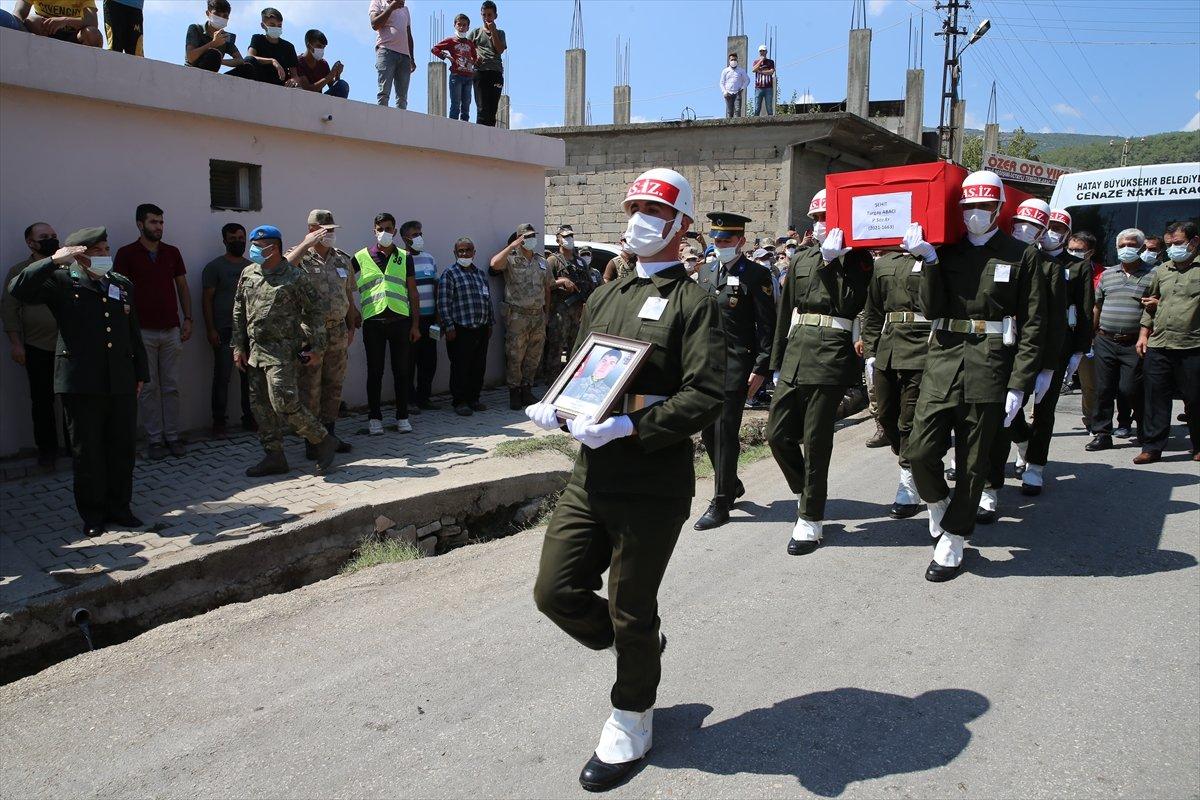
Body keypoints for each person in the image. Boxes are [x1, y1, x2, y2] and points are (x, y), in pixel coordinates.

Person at [525, 168, 724, 792]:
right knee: (554, 590)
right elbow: (585, 372)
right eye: (634, 207)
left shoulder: (697, 304)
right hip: (593, 471)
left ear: (681, 225)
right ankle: (640, 651)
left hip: (651, 478)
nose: (639, 219)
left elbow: (709, 392)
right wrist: (559, 404)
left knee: (632, 606)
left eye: (654, 211)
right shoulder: (605, 296)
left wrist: (635, 428)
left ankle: (632, 715)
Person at [901, 170, 1044, 582]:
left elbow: (1033, 322)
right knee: (922, 450)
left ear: (999, 209)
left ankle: (955, 539)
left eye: (983, 207)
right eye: (968, 207)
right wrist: (927, 261)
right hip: (944, 357)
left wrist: (1021, 381)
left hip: (991, 361)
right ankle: (939, 504)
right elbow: (931, 308)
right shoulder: (947, 250)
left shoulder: (1022, 254)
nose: (974, 215)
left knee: (974, 457)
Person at [9, 227, 148, 538]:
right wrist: (53, 261)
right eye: (97, 250)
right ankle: (93, 513)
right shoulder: (61, 281)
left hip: (121, 380)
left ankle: (120, 507)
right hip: (81, 381)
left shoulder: (120, 284)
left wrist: (141, 373)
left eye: (105, 249)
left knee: (122, 448)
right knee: (88, 451)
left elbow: (132, 332)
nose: (104, 255)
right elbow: (18, 288)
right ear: (79, 253)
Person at [768, 190, 872, 555]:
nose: (820, 223)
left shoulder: (857, 259)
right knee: (776, 434)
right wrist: (777, 364)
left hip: (829, 355)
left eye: (827, 215)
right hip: (796, 351)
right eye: (816, 218)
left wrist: (836, 262)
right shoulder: (802, 257)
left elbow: (850, 303)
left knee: (815, 442)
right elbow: (785, 313)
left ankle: (811, 518)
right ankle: (807, 491)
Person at [985, 207, 1091, 511]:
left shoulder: (1060, 266)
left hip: (1052, 348)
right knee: (1009, 409)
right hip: (1011, 345)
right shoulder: (1014, 256)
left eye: (1056, 227)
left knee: (1044, 410)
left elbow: (1071, 313)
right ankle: (1021, 440)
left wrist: (1076, 351)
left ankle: (1035, 465)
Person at [234, 225, 337, 476]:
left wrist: (317, 348)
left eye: (261, 245)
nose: (255, 249)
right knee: (259, 405)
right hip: (255, 350)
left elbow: (315, 312)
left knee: (284, 402)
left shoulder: (294, 277)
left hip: (282, 351)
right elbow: (239, 309)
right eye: (254, 244)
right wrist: (237, 346)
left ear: (275, 247)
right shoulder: (249, 273)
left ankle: (323, 439)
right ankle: (274, 456)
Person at [693, 212, 775, 530]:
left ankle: (722, 500)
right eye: (716, 239)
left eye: (726, 240)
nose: (719, 244)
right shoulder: (706, 272)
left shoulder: (756, 275)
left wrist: (761, 368)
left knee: (726, 431)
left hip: (738, 364)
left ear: (740, 241)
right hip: (707, 363)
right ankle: (733, 483)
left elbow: (767, 326)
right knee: (708, 432)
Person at [114, 203, 191, 460]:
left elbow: (182, 286)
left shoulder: (171, 252)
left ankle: (172, 436)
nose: (158, 227)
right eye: (153, 222)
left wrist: (187, 317)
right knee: (148, 387)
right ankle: (154, 439)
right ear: (140, 224)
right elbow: (119, 293)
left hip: (170, 329)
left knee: (171, 386)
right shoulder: (127, 254)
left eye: (161, 222)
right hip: (141, 332)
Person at [861, 244, 931, 519]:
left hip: (922, 346)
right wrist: (870, 351)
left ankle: (908, 483)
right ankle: (911, 460)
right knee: (887, 415)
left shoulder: (931, 257)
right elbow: (873, 311)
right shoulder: (883, 263)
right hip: (889, 347)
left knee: (909, 419)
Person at [288, 210, 360, 455]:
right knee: (310, 388)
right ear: (312, 230)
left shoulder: (342, 259)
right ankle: (313, 442)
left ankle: (330, 436)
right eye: (325, 230)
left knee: (333, 386)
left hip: (338, 332)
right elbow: (280, 273)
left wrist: (351, 327)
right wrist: (305, 245)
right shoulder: (299, 257)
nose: (330, 234)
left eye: (332, 230)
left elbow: (348, 295)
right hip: (310, 333)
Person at [1134, 220, 1200, 463]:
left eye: (1179, 243)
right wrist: (1143, 335)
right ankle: (1152, 447)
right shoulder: (1162, 270)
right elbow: (1149, 305)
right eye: (1170, 244)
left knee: (1195, 398)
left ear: (1194, 242)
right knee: (1155, 397)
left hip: (1192, 345)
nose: (1173, 248)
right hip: (1159, 344)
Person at [2, 222, 65, 470]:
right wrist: (16, 344)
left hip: (69, 346)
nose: (50, 239)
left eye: (53, 236)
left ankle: (76, 448)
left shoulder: (67, 266)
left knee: (74, 399)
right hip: (36, 347)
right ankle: (47, 452)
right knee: (42, 402)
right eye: (44, 237)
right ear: (30, 243)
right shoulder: (20, 272)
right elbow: (9, 310)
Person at [1086, 228, 1154, 452]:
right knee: (1103, 389)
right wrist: (1091, 334)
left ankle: (1145, 429)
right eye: (1122, 245)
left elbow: (1154, 308)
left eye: (1132, 245)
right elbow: (1097, 305)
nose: (1127, 249)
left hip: (1133, 342)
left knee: (1130, 388)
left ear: (1142, 248)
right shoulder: (1107, 274)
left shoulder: (1153, 275)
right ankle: (1102, 433)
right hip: (1105, 339)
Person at [354, 213, 420, 435]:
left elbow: (413, 292)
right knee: (375, 371)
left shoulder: (404, 256)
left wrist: (415, 325)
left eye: (388, 228)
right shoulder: (360, 257)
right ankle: (375, 418)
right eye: (380, 228)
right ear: (374, 230)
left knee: (402, 371)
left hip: (400, 321)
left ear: (394, 230)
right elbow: (343, 284)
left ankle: (402, 417)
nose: (384, 232)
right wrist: (350, 309)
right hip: (374, 322)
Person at [488, 223, 551, 410]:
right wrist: (511, 246)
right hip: (517, 316)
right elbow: (494, 264)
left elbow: (548, 288)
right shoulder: (511, 259)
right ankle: (514, 392)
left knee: (534, 356)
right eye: (527, 237)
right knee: (515, 356)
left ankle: (527, 389)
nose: (531, 240)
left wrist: (546, 313)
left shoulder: (542, 261)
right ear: (519, 239)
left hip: (537, 316)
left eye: (533, 236)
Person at [201, 223, 254, 438]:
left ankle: (249, 418)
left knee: (249, 378)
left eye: (241, 237)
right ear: (224, 241)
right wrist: (210, 329)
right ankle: (219, 422)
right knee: (222, 377)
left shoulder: (252, 267)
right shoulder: (214, 267)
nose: (238, 242)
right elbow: (206, 300)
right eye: (233, 238)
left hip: (249, 331)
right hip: (224, 331)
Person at [437, 237, 492, 416]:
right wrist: (449, 326)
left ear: (474, 253)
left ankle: (474, 399)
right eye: (460, 251)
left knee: (478, 366)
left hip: (481, 328)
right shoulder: (450, 274)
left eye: (468, 250)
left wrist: (490, 322)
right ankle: (460, 401)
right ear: (455, 254)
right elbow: (443, 302)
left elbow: (487, 299)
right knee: (460, 367)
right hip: (460, 329)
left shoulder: (480, 274)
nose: (464, 254)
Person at [542, 224, 595, 382]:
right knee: (556, 348)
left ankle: (572, 381)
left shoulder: (580, 262)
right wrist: (562, 281)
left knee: (576, 347)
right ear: (558, 240)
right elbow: (546, 285)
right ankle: (552, 381)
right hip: (559, 311)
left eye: (571, 236)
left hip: (577, 312)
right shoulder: (553, 261)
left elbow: (589, 284)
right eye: (565, 237)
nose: (569, 240)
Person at [400, 220, 439, 411]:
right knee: (409, 361)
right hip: (409, 320)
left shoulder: (429, 258)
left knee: (429, 361)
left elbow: (435, 287)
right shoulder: (399, 259)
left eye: (420, 234)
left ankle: (425, 398)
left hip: (430, 319)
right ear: (405, 238)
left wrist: (438, 317)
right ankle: (409, 400)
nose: (419, 238)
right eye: (415, 235)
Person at [185, 0, 262, 78]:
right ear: (208, 14)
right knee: (214, 54)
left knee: (247, 68)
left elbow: (240, 60)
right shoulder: (196, 29)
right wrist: (213, 43)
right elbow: (191, 58)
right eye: (217, 14)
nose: (221, 18)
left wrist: (220, 61)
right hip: (193, 74)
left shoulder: (225, 36)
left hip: (213, 76)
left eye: (225, 16)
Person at [432, 13, 477, 121]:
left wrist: (472, 62)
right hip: (456, 76)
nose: (461, 27)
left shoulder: (470, 43)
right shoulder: (451, 40)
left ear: (468, 27)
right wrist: (446, 56)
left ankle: (465, 126)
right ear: (455, 25)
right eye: (459, 24)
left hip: (468, 76)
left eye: (464, 25)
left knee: (466, 104)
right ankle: (453, 126)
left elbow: (475, 57)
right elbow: (435, 49)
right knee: (455, 103)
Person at [370, 0, 414, 108]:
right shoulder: (378, 2)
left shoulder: (405, 9)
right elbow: (374, 24)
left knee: (402, 97)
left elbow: (408, 34)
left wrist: (411, 57)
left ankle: (400, 123)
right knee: (384, 92)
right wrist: (391, 8)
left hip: (404, 56)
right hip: (386, 51)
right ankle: (382, 121)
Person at [469, 0, 506, 126]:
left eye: (489, 15)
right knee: (482, 108)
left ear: (495, 16)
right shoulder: (475, 33)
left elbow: (500, 49)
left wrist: (493, 31)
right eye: (484, 15)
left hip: (496, 72)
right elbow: (466, 50)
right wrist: (474, 58)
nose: (486, 18)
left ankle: (490, 139)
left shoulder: (500, 33)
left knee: (492, 109)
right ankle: (480, 139)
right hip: (480, 72)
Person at [247, 7, 300, 87]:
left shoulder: (288, 47)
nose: (276, 28)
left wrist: (293, 80)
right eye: (272, 25)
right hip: (259, 82)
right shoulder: (257, 39)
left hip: (280, 85)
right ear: (263, 25)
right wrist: (272, 61)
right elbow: (250, 58)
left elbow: (295, 75)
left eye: (279, 25)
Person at [13, 0, 101, 46]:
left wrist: (65, 21)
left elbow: (92, 22)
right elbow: (18, 13)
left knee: (92, 33)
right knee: (32, 20)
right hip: (46, 32)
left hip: (74, 36)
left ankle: (86, 66)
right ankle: (41, 53)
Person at [295, 29, 349, 98]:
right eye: (319, 46)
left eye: (323, 47)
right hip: (302, 100)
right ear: (309, 46)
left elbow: (334, 88)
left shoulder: (323, 64)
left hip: (320, 101)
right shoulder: (298, 62)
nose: (322, 50)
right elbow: (307, 89)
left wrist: (337, 75)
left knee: (342, 85)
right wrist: (331, 75)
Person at [720, 52, 750, 118]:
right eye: (732, 60)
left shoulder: (741, 70)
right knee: (729, 111)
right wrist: (724, 92)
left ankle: (737, 126)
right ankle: (729, 126)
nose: (733, 61)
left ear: (737, 60)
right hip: (728, 93)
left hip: (737, 93)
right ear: (729, 61)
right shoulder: (725, 71)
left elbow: (747, 80)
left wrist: (742, 88)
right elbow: (721, 82)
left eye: (735, 60)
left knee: (737, 110)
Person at [751, 44, 775, 117]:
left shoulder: (770, 62)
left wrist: (760, 72)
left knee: (769, 107)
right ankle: (754, 121)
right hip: (758, 87)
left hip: (768, 87)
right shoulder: (756, 62)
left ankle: (771, 121)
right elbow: (753, 69)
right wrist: (761, 61)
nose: (762, 52)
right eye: (761, 51)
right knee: (757, 107)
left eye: (763, 51)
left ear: (766, 52)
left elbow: (771, 72)